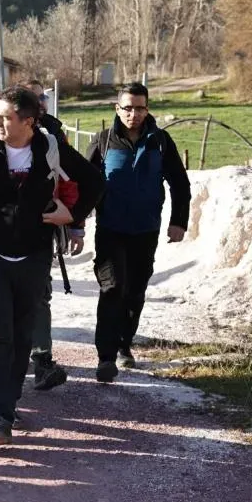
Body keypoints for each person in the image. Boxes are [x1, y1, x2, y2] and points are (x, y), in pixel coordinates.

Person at [0, 86, 103, 447]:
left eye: (6, 117)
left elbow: (95, 182)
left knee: (20, 337)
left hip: (33, 256)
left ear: (28, 122)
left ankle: (8, 401)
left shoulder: (51, 149)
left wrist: (72, 216)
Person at [86, 82, 190, 383]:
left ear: (147, 109)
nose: (134, 114)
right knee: (112, 287)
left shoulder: (161, 141)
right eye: (128, 108)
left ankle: (124, 344)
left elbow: (179, 183)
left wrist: (179, 221)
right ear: (117, 109)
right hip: (110, 229)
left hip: (146, 230)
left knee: (135, 291)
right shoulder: (103, 141)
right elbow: (84, 183)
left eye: (140, 108)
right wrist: (75, 224)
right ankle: (106, 357)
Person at [24, 79, 79, 392]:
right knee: (7, 299)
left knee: (39, 294)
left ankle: (42, 360)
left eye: (41, 98)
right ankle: (10, 357)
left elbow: (73, 181)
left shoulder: (55, 135)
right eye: (33, 98)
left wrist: (73, 221)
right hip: (3, 235)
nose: (40, 103)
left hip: (44, 229)